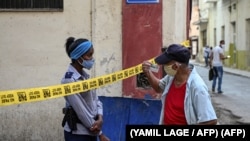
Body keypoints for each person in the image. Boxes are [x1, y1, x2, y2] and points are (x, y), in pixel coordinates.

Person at [142, 44, 217, 125]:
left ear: (175, 66)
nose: (164, 66)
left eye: (166, 63)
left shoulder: (197, 87)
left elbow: (211, 121)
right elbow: (158, 87)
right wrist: (148, 73)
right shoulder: (171, 77)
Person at [61, 37, 110, 141]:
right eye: (89, 55)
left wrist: (100, 118)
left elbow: (96, 100)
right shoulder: (69, 80)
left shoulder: (86, 77)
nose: (92, 59)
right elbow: (81, 111)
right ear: (78, 57)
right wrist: (100, 133)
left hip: (92, 131)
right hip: (78, 134)